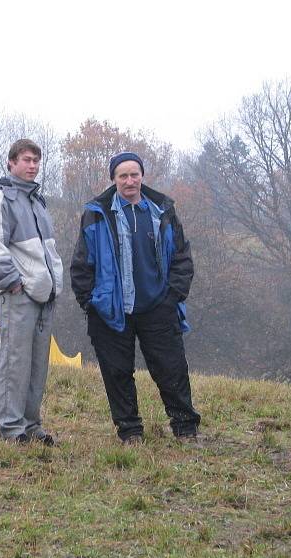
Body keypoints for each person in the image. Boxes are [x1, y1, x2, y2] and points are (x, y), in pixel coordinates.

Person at [70, 151, 201, 444]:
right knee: (117, 374)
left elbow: (182, 256)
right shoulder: (96, 213)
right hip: (112, 310)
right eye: (123, 176)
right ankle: (130, 432)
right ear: (113, 179)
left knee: (172, 369)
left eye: (134, 174)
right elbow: (81, 264)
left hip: (159, 306)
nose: (129, 181)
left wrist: (174, 295)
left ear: (142, 176)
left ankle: (186, 428)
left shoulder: (162, 210)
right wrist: (90, 304)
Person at [0, 139, 63, 445]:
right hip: (16, 295)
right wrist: (14, 283)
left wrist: (53, 286)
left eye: (36, 161)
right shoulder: (1, 199)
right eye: (26, 160)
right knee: (13, 362)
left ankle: (30, 424)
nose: (32, 166)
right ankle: (10, 428)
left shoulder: (38, 202)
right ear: (11, 163)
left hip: (43, 298)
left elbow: (46, 253)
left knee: (37, 365)